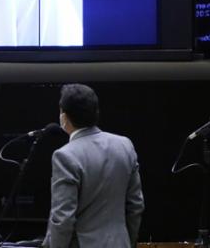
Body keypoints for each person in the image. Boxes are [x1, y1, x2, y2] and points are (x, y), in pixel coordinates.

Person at [44, 84, 144, 248]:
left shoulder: (65, 155)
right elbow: (136, 206)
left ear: (65, 115)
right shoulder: (125, 145)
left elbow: (62, 218)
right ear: (96, 112)